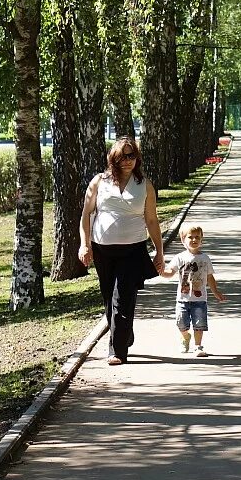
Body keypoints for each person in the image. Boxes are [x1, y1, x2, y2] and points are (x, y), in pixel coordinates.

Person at [79, 136, 164, 366]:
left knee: (122, 297)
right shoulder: (99, 182)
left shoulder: (144, 185)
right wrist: (84, 244)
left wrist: (159, 252)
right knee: (109, 298)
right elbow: (86, 214)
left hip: (132, 250)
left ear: (137, 158)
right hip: (102, 250)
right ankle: (125, 333)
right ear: (113, 158)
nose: (127, 161)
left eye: (131, 155)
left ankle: (116, 351)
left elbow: (152, 220)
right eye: (122, 156)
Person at [161, 223, 227, 357]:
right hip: (182, 299)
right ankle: (185, 337)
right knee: (180, 323)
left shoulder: (205, 258)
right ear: (183, 239)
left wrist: (216, 292)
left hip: (200, 299)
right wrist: (161, 272)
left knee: (199, 324)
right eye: (190, 237)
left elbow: (209, 277)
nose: (194, 240)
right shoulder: (179, 258)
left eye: (197, 237)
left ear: (202, 240)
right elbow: (170, 272)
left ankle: (198, 346)